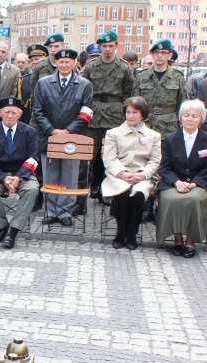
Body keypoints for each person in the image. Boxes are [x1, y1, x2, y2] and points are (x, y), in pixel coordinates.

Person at [32, 48, 93, 227]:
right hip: (48, 137)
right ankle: (51, 211)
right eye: (61, 62)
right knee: (51, 175)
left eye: (68, 62)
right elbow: (37, 111)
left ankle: (65, 212)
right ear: (56, 63)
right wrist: (52, 130)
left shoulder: (84, 85)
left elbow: (87, 112)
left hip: (72, 139)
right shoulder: (43, 83)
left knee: (70, 175)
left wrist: (67, 131)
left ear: (74, 63)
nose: (64, 65)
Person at [78, 30, 134, 214]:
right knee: (88, 157)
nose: (108, 49)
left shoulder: (124, 67)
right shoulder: (91, 66)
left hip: (115, 115)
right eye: (104, 46)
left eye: (111, 46)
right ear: (100, 47)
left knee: (113, 156)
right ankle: (81, 196)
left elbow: (128, 93)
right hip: (94, 114)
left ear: (116, 46)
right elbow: (83, 91)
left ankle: (111, 193)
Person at [133, 39, 187, 222]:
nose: (160, 56)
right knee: (145, 164)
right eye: (157, 53)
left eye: (164, 53)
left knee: (165, 167)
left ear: (169, 55)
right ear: (152, 55)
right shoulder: (141, 77)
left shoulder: (178, 77)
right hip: (146, 128)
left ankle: (162, 205)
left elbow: (183, 106)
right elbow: (134, 104)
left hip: (168, 128)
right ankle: (146, 205)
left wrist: (181, 131)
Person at [102, 97, 161, 250]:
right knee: (123, 193)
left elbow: (155, 161)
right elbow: (109, 158)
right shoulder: (113, 133)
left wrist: (143, 174)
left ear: (143, 114)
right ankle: (120, 234)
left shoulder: (154, 136)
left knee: (138, 195)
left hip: (142, 176)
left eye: (135, 112)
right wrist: (122, 173)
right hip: (118, 176)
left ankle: (132, 235)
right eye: (128, 112)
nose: (130, 116)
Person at [0, 97, 39, 249]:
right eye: (6, 112)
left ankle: (12, 231)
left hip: (22, 173)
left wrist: (19, 177)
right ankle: (2, 228)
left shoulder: (30, 132)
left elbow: (33, 158)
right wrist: (3, 178)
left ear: (20, 114)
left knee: (32, 189)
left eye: (14, 112)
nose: (10, 115)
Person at [156, 100, 207, 258]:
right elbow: (164, 168)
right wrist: (177, 183)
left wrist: (193, 184)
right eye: (186, 115)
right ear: (180, 117)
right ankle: (177, 239)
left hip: (198, 183)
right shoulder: (171, 139)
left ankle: (190, 241)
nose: (190, 119)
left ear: (201, 119)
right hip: (173, 182)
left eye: (194, 116)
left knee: (193, 199)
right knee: (171, 199)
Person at [0, 42, 20, 120]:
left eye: (3, 52)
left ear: (7, 54)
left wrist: (3, 111)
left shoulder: (15, 71)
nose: (0, 54)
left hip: (7, 116)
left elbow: (15, 94)